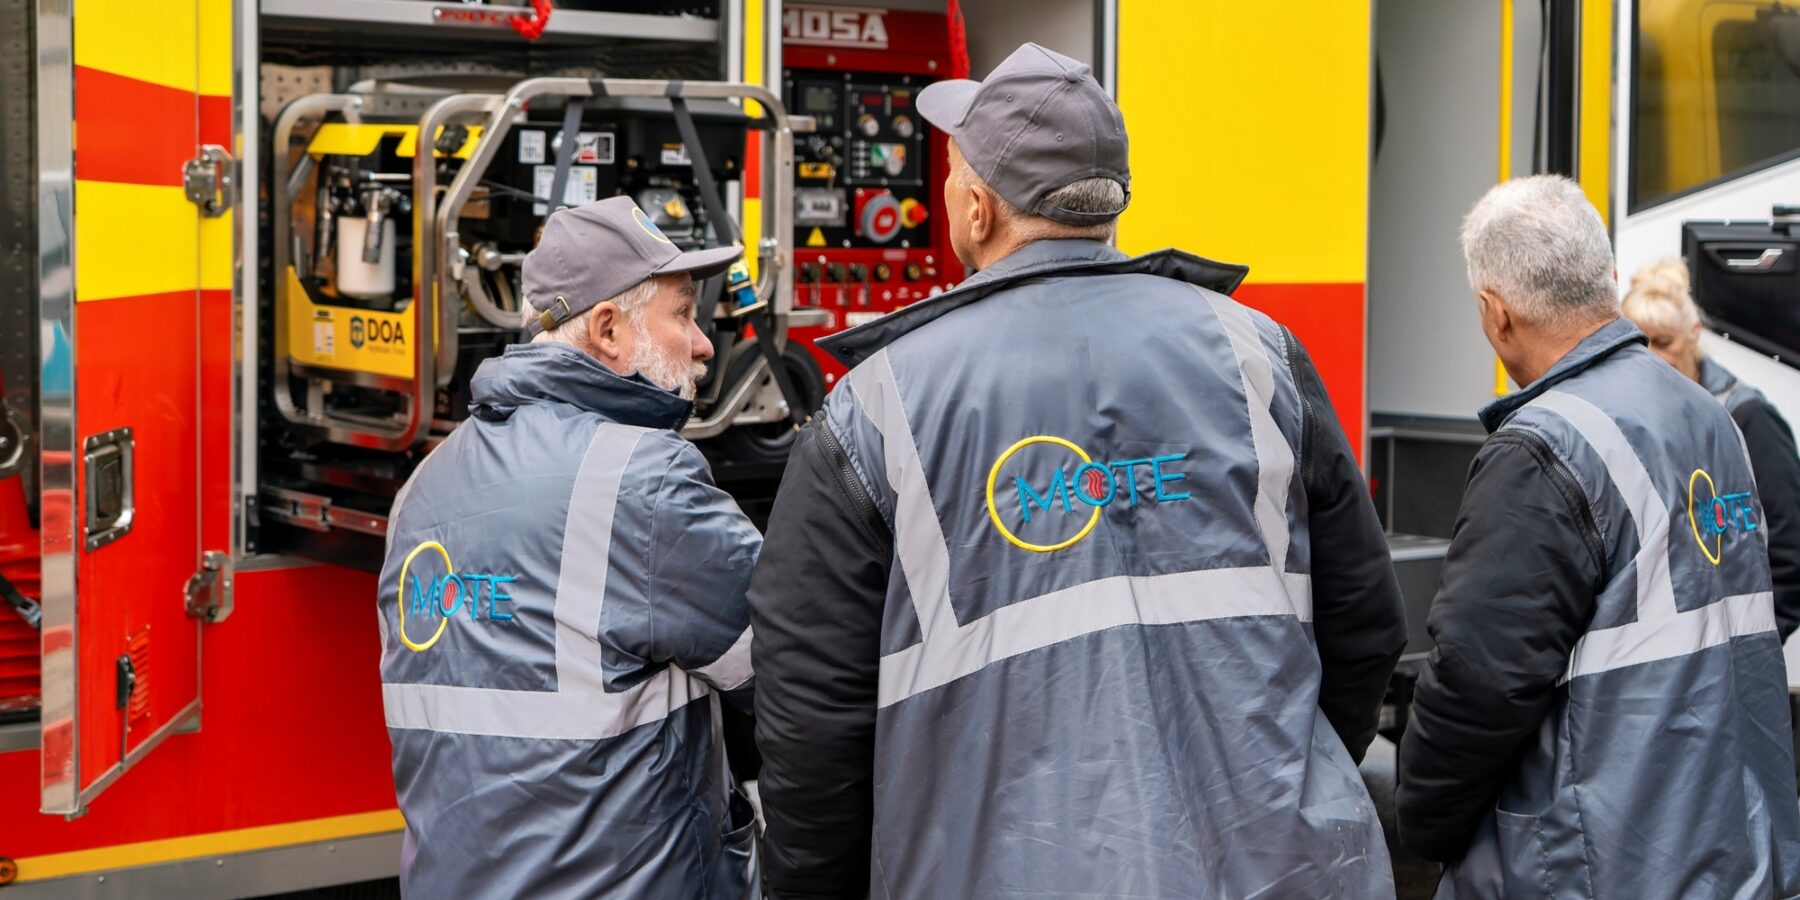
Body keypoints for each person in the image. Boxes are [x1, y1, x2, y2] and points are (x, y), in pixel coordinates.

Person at [748, 43, 1407, 899]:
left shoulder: (876, 407)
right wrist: (1284, 786)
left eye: (953, 172)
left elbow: (811, 725)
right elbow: (1365, 624)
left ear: (978, 209)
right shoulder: (1256, 351)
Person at [1396, 176, 1800, 898]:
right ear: (1606, 281)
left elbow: (1478, 685)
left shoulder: (1541, 449)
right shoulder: (1712, 417)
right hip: (1735, 851)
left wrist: (1422, 824)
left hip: (1601, 867)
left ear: (1495, 315)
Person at [377, 197, 762, 898]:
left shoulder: (421, 490)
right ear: (609, 330)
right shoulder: (643, 482)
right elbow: (790, 671)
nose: (705, 342)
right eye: (682, 313)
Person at [1623, 260, 1800, 640]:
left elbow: (1790, 550)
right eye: (1640, 342)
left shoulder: (1749, 418)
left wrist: (1753, 643)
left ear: (1694, 334)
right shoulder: (1631, 419)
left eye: (1664, 342)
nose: (1652, 356)